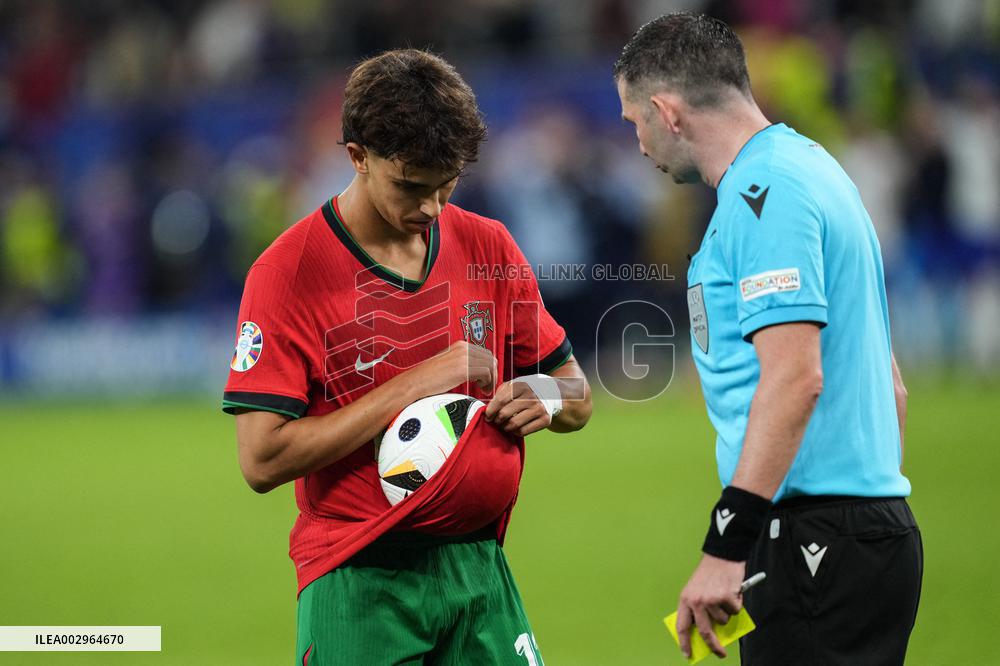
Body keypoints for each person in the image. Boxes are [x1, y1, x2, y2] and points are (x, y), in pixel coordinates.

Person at [223, 49, 592, 665]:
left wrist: (546, 398)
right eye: (411, 186)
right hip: (359, 577)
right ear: (358, 156)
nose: (431, 208)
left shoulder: (486, 244)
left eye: (447, 184)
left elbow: (576, 392)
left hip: (480, 572)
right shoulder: (289, 273)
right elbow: (261, 459)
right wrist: (417, 383)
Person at [614, 14, 921, 665]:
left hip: (813, 535)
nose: (637, 143)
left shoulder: (764, 194)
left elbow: (795, 376)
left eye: (633, 120)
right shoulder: (812, 168)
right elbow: (887, 384)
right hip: (854, 532)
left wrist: (728, 544)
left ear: (667, 112)